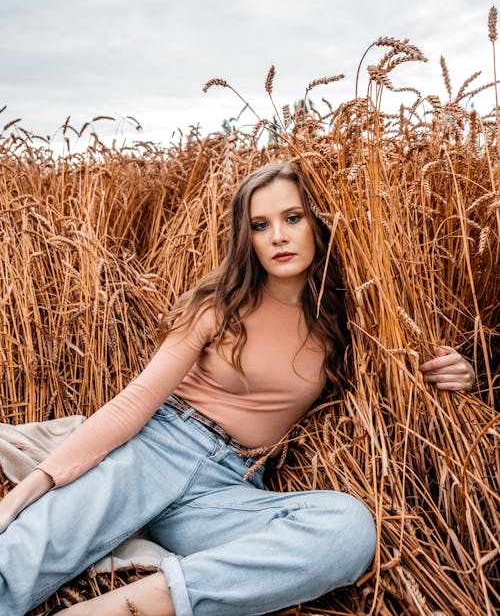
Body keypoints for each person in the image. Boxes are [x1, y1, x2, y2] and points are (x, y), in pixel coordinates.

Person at [0, 163, 475, 616]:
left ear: (319, 223)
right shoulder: (220, 303)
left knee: (347, 530)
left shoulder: (349, 320)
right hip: (157, 449)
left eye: (293, 218)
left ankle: (125, 607)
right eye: (261, 225)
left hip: (230, 486)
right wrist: (26, 493)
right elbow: (136, 400)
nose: (279, 236)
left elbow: (407, 371)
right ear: (248, 237)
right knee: (20, 556)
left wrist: (458, 373)